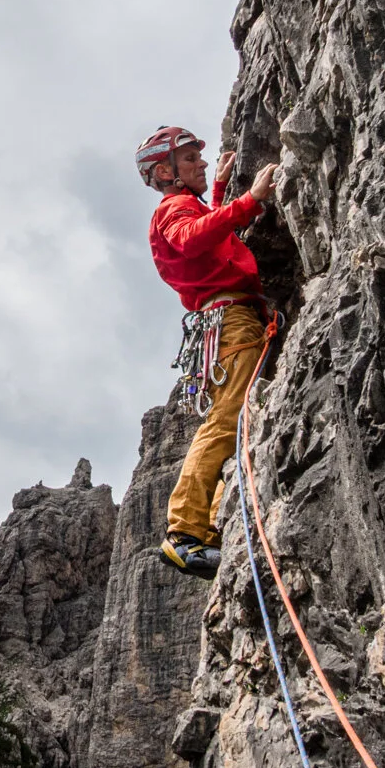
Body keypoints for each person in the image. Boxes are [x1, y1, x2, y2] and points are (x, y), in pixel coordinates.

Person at [134, 126, 278, 580]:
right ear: (165, 171)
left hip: (231, 320)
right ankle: (185, 532)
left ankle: (210, 526)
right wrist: (249, 200)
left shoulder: (183, 205)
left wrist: (217, 188)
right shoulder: (173, 209)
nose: (200, 161)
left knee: (238, 416)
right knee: (228, 416)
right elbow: (193, 237)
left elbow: (204, 239)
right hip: (231, 320)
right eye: (191, 158)